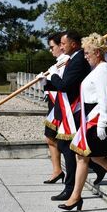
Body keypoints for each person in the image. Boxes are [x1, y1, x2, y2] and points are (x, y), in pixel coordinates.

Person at [58, 33, 107, 211]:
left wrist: (102, 124)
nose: (85, 56)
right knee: (97, 157)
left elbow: (104, 100)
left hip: (98, 118)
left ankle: (75, 197)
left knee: (82, 156)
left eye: (87, 52)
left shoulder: (102, 71)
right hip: (92, 117)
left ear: (97, 52)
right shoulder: (99, 69)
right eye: (85, 52)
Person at [47, 30, 106, 201]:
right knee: (70, 147)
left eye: (63, 43)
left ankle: (71, 188)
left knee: (67, 147)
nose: (61, 46)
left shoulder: (79, 59)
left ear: (73, 44)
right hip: (69, 108)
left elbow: (65, 85)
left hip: (75, 108)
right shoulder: (73, 58)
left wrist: (53, 76)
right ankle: (97, 168)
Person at [40, 32, 67, 184]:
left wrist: (51, 77)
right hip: (54, 105)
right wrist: (44, 81)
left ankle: (95, 164)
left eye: (53, 47)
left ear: (61, 46)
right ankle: (57, 170)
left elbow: (63, 84)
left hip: (62, 107)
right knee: (50, 138)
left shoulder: (65, 62)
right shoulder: (58, 63)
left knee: (56, 140)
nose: (51, 50)